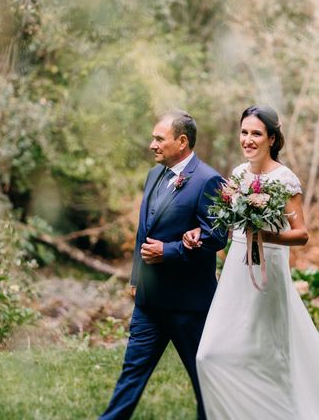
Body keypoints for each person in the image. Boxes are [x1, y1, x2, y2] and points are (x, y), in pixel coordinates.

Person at [183, 105, 319, 419]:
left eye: (256, 134)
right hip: (235, 271)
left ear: (272, 139)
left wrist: (262, 235)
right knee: (208, 355)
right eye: (244, 132)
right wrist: (198, 232)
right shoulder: (237, 174)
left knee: (269, 357)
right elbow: (227, 225)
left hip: (267, 275)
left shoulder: (284, 179)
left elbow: (301, 234)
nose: (248, 139)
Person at [99, 111, 228, 420]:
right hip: (150, 301)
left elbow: (216, 237)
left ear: (182, 142)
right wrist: (136, 277)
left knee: (204, 382)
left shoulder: (208, 180)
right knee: (131, 374)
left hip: (188, 305)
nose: (151, 145)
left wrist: (168, 252)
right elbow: (145, 230)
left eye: (159, 138)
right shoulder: (154, 175)